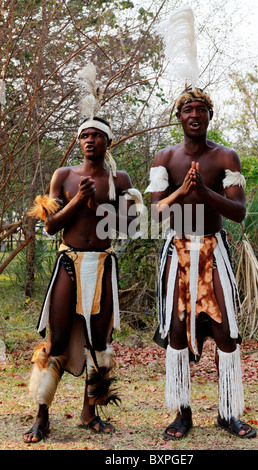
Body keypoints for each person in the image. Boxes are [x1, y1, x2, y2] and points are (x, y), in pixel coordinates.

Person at [146, 87, 256, 440]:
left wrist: (207, 193)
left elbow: (239, 212)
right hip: (177, 250)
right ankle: (182, 414)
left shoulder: (226, 157)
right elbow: (153, 211)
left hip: (213, 250)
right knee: (177, 331)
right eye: (188, 110)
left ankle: (227, 412)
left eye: (201, 110)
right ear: (178, 117)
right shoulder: (164, 158)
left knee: (225, 333)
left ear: (210, 116)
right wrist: (183, 192)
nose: (194, 115)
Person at [24, 116, 143, 443]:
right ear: (79, 141)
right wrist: (78, 200)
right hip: (69, 263)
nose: (90, 141)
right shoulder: (64, 176)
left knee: (99, 343)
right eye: (84, 136)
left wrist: (98, 205)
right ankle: (41, 415)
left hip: (102, 265)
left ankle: (90, 412)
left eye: (97, 136)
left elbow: (132, 226)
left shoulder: (119, 180)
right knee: (58, 339)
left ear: (108, 142)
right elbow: (49, 226)